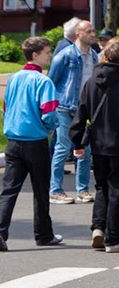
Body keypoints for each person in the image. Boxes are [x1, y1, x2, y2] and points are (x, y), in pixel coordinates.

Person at [69, 38, 119, 253]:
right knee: (116, 189)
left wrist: (77, 141)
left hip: (97, 144)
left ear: (104, 56)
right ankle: (114, 239)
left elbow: (81, 113)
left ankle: (98, 227)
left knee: (101, 186)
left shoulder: (90, 83)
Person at [0, 37, 64, 252]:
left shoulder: (14, 79)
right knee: (41, 190)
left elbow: (6, 108)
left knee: (9, 190)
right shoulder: (43, 81)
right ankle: (43, 235)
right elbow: (49, 112)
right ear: (35, 55)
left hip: (13, 141)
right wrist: (49, 128)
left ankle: (0, 232)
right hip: (35, 142)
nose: (50, 55)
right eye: (47, 52)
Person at [48, 19, 98, 205]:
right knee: (62, 147)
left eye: (93, 31)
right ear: (78, 33)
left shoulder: (94, 56)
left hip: (85, 109)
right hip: (65, 107)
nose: (92, 35)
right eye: (88, 31)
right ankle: (55, 190)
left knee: (85, 150)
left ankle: (82, 190)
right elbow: (51, 82)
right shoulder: (65, 55)